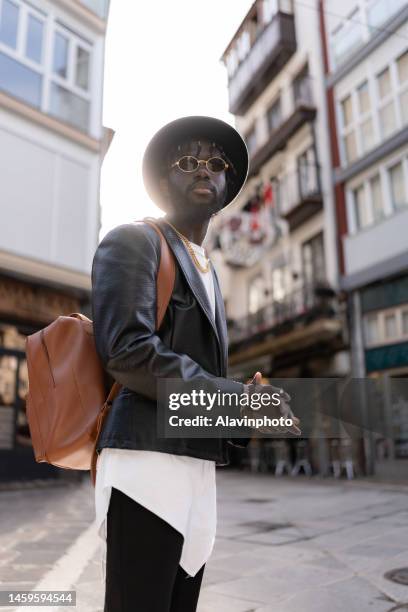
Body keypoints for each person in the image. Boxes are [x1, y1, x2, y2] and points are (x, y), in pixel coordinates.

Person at [91, 116, 300, 612]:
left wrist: (247, 409)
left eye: (214, 163)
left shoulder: (208, 270)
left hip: (195, 466)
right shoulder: (134, 242)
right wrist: (231, 400)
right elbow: (127, 351)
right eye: (186, 162)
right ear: (163, 181)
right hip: (145, 463)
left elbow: (190, 371)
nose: (202, 170)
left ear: (227, 182)